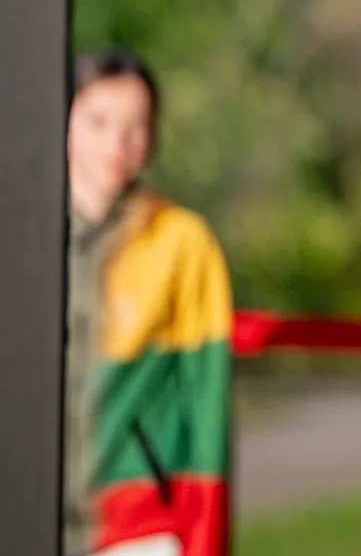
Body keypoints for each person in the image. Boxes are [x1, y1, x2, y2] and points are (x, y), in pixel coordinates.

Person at [66, 50, 233, 556]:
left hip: (135, 526)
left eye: (136, 126)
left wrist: (204, 542)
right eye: (98, 122)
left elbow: (206, 408)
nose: (117, 143)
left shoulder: (182, 244)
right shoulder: (22, 240)